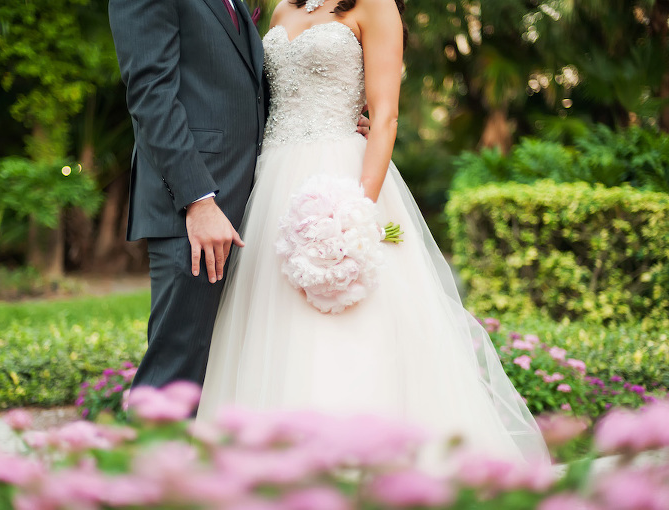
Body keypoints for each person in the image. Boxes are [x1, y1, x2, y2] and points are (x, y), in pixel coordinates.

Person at [196, 0, 550, 463]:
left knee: (346, 322)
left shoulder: (376, 6)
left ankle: (359, 463)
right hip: (270, 186)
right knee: (269, 321)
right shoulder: (282, 9)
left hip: (344, 179)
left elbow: (385, 118)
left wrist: (355, 213)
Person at [108, 0, 266, 389]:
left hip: (248, 204)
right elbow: (150, 93)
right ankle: (150, 453)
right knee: (175, 376)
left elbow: (241, 92)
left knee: (222, 375)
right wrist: (198, 199)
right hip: (194, 212)